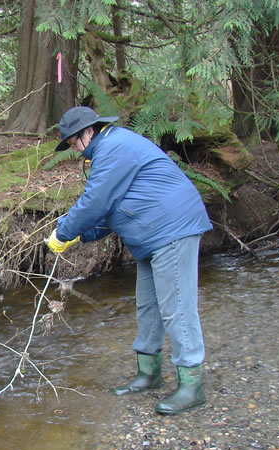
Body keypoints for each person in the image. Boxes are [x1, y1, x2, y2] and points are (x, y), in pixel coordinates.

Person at [45, 106, 212, 415]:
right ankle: (149, 374)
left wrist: (64, 230)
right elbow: (108, 214)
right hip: (151, 235)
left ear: (89, 132)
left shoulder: (113, 147)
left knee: (176, 307)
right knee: (148, 305)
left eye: (72, 142)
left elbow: (95, 201)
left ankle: (191, 385)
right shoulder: (108, 151)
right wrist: (75, 236)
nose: (73, 150)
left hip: (172, 229)